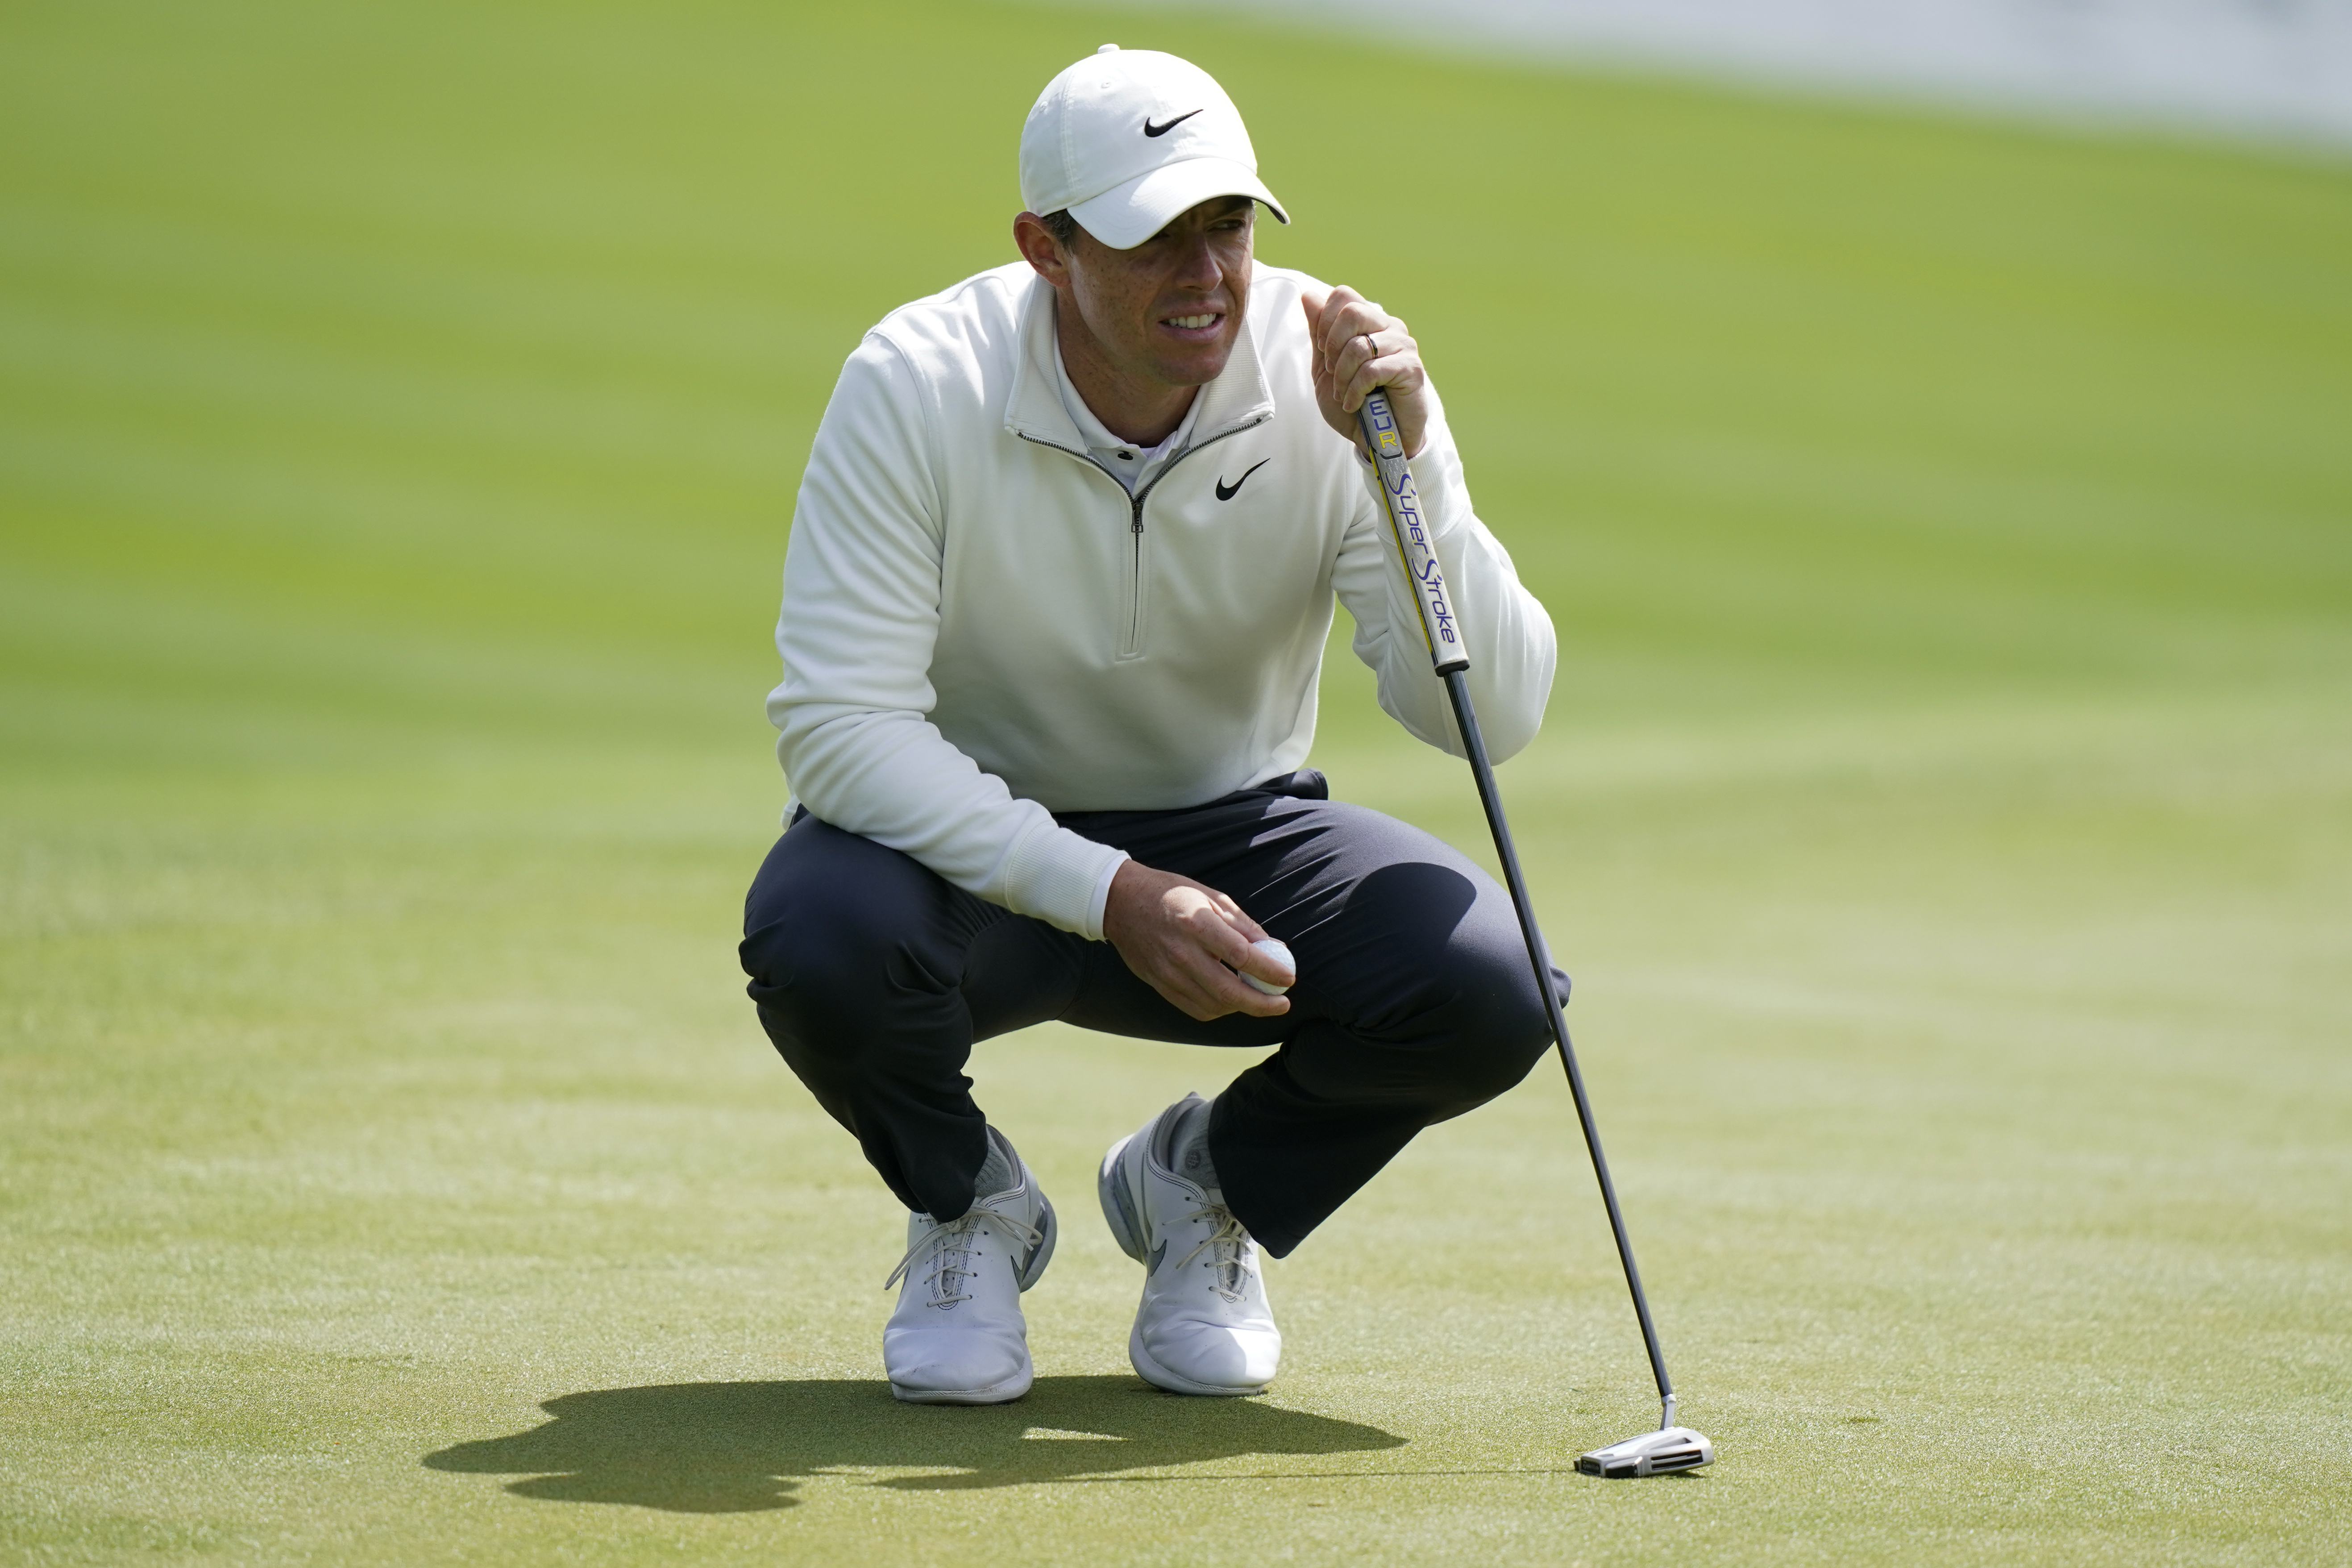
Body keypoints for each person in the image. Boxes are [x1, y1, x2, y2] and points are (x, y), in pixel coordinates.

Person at [740, 44, 1562, 1405]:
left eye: (1227, 226)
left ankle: (1205, 1187)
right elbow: (839, 731)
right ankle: (968, 1206)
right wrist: (1110, 893)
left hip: (1239, 827)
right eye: (1152, 236)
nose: (1206, 275)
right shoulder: (917, 379)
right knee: (818, 933)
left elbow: (1491, 712)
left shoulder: (1335, 371)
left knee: (1490, 981)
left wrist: (1412, 468)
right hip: (962, 863)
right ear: (1045, 249)